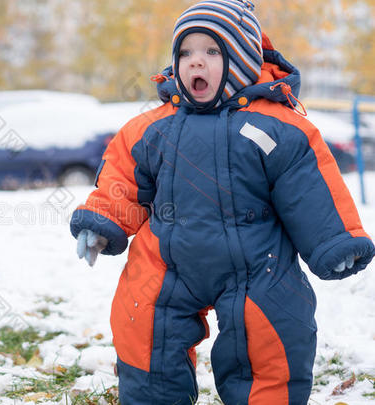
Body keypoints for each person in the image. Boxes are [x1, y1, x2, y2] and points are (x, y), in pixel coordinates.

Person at [69, 1, 374, 404]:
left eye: (212, 52)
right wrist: (103, 219)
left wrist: (334, 242)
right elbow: (123, 177)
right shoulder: (153, 127)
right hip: (166, 261)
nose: (196, 62)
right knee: (142, 326)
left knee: (276, 336)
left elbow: (309, 188)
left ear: (243, 61)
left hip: (257, 264)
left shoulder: (278, 126)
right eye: (185, 53)